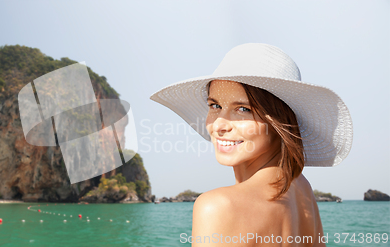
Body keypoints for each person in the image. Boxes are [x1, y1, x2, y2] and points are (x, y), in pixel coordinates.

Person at [150, 43, 353, 246]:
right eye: (215, 106)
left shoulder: (217, 207)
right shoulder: (301, 188)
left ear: (278, 121)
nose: (219, 124)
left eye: (243, 109)